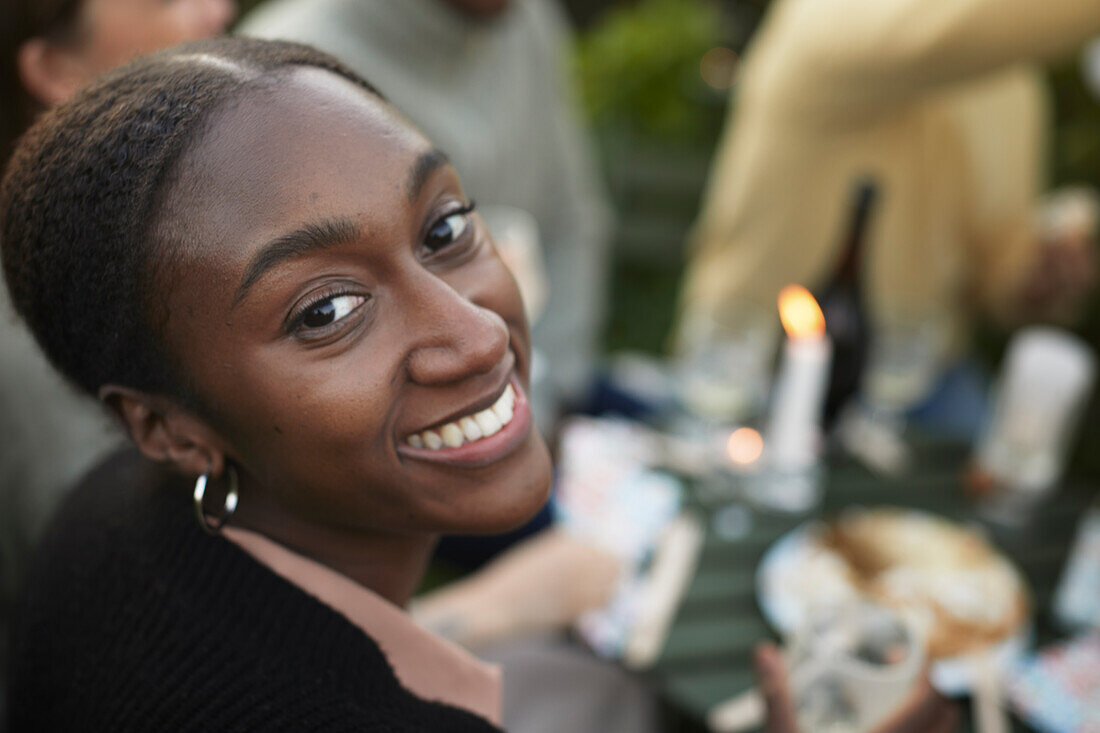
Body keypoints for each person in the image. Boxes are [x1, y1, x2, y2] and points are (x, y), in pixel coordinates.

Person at [1, 36, 954, 731]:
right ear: (167, 427)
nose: (477, 331)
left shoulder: (112, 511)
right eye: (325, 312)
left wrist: (483, 610)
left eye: (445, 229)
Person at [678, 0, 1100, 435]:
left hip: (921, 382)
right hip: (757, 368)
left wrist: (1038, 281)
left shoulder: (1013, 86)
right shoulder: (828, 17)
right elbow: (948, 34)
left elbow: (998, 266)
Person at [0, 0, 234, 719]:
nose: (217, 9)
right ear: (53, 70)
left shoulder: (159, 222)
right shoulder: (31, 333)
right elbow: (160, 620)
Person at [238, 0, 613, 436]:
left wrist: (546, 396)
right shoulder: (282, 67)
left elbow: (573, 219)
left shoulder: (529, 21)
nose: (483, 337)